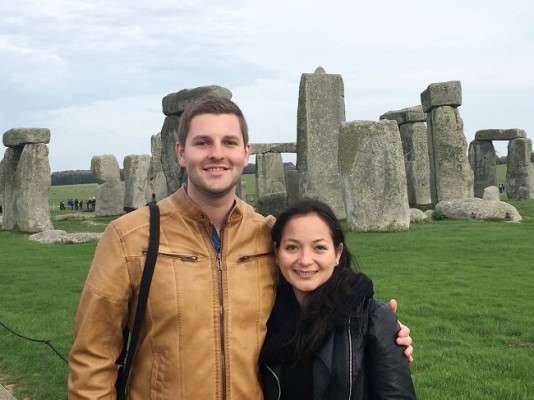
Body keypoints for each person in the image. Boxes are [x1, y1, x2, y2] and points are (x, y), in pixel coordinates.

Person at [68, 95, 412, 399]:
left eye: (229, 142)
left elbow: (317, 291)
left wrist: (378, 327)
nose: (217, 153)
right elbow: (92, 360)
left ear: (245, 153)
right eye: (203, 142)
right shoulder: (130, 238)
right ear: (180, 152)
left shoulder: (268, 235)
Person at [260, 198, 416, 399]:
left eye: (319, 248)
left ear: (338, 253)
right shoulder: (266, 316)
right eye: (292, 247)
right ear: (276, 252)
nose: (305, 260)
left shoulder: (373, 319)